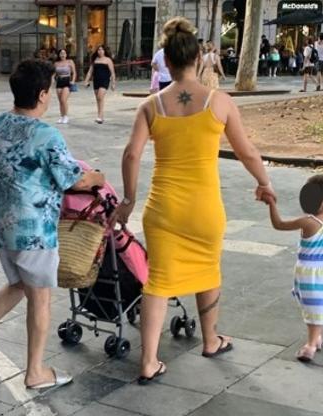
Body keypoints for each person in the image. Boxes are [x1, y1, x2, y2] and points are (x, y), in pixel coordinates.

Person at [115, 17, 275, 384]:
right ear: (199, 60)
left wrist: (128, 200)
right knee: (209, 269)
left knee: (157, 281)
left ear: (166, 62)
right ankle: (211, 340)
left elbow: (131, 155)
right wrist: (264, 182)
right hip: (204, 208)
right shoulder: (219, 102)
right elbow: (247, 151)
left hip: (163, 207)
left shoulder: (151, 106)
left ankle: (149, 361)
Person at [0, 59, 104, 390]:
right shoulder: (45, 135)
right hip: (32, 229)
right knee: (40, 297)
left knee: (20, 285)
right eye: (50, 89)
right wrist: (97, 176)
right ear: (42, 94)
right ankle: (36, 372)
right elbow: (74, 180)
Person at [264, 174, 323, 362]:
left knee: (313, 310)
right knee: (317, 307)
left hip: (309, 271)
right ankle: (317, 338)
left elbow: (278, 224)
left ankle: (311, 345)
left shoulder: (308, 222)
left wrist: (272, 204)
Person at [84, 45, 116, 124]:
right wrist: (86, 80)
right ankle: (100, 115)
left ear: (104, 51)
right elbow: (90, 71)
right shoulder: (95, 60)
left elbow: (112, 72)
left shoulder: (108, 60)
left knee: (100, 96)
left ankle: (100, 116)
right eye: (98, 50)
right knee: (98, 99)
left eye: (102, 50)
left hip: (104, 80)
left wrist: (113, 83)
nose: (100, 51)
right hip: (96, 81)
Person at [53, 49, 76, 124]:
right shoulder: (56, 63)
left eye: (64, 53)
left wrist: (73, 81)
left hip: (67, 81)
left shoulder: (70, 61)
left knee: (63, 100)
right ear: (59, 55)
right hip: (59, 81)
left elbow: (74, 73)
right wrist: (52, 79)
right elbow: (54, 74)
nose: (62, 55)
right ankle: (62, 116)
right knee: (60, 101)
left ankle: (66, 116)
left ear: (66, 54)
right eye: (61, 53)